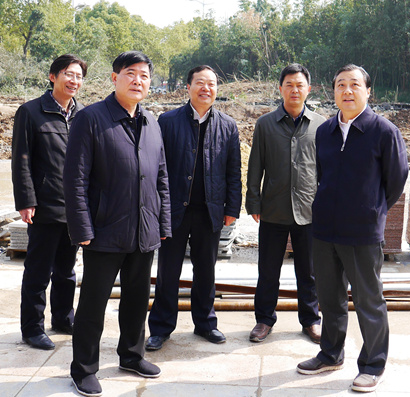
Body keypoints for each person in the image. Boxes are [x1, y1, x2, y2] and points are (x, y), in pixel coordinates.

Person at [63, 51, 171, 397]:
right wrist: (82, 229)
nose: (138, 81)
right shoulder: (91, 118)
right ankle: (83, 369)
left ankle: (132, 355)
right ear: (115, 78)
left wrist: (163, 223)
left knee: (137, 300)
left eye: (144, 75)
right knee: (93, 304)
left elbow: (161, 177)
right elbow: (75, 180)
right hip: (104, 231)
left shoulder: (151, 122)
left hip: (144, 230)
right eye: (130, 73)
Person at [296, 64, 409, 393]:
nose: (347, 91)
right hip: (325, 230)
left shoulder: (384, 131)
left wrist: (373, 210)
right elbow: (322, 175)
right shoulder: (325, 131)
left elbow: (396, 180)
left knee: (368, 300)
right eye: (341, 85)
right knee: (329, 298)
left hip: (362, 232)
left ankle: (373, 365)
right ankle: (330, 354)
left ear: (368, 91)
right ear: (333, 91)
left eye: (355, 85)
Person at [146, 65, 241, 350]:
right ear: (188, 87)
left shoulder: (227, 125)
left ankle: (205, 323)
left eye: (211, 83)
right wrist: (157, 207)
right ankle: (161, 327)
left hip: (209, 210)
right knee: (168, 271)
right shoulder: (168, 121)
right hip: (174, 209)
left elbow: (233, 171)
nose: (206, 88)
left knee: (206, 271)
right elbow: (156, 167)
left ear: (217, 89)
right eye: (200, 83)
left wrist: (232, 208)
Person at [12, 54, 87, 351]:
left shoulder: (84, 115)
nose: (74, 81)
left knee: (67, 271)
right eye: (68, 74)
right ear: (53, 76)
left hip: (75, 207)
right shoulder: (31, 112)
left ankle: (63, 319)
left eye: (79, 76)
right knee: (38, 271)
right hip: (44, 205)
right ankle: (32, 328)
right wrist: (26, 200)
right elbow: (21, 159)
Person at [246, 64, 325, 343]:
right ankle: (264, 320)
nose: (294, 90)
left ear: (308, 89)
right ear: (280, 88)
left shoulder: (320, 125)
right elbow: (255, 166)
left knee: (309, 272)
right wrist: (253, 202)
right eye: (289, 84)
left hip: (309, 210)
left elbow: (325, 170)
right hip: (273, 209)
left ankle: (311, 320)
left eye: (299, 85)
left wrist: (326, 205)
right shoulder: (265, 124)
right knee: (268, 270)